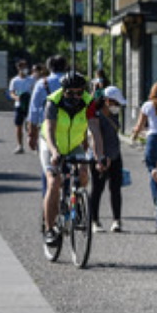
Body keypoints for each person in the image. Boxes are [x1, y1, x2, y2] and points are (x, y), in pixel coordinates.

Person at [39, 72, 108, 245]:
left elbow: (95, 131)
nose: (75, 96)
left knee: (84, 173)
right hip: (50, 143)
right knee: (54, 183)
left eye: (79, 92)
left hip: (73, 144)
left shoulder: (88, 102)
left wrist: (99, 157)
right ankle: (49, 229)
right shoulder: (53, 101)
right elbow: (49, 130)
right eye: (70, 93)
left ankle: (76, 203)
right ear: (63, 91)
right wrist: (54, 152)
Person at [90, 85, 128, 233]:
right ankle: (95, 221)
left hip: (115, 156)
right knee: (97, 189)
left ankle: (117, 220)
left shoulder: (114, 116)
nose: (117, 107)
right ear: (107, 101)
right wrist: (100, 157)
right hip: (100, 157)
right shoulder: (96, 116)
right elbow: (94, 138)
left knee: (115, 189)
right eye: (115, 103)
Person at [7, 61, 35, 154]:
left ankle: (34, 145)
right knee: (18, 126)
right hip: (19, 105)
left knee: (31, 126)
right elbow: (11, 92)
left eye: (25, 67)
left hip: (29, 105)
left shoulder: (31, 79)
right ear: (18, 68)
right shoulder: (14, 80)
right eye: (22, 67)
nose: (25, 69)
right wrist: (17, 97)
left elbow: (34, 90)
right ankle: (20, 146)